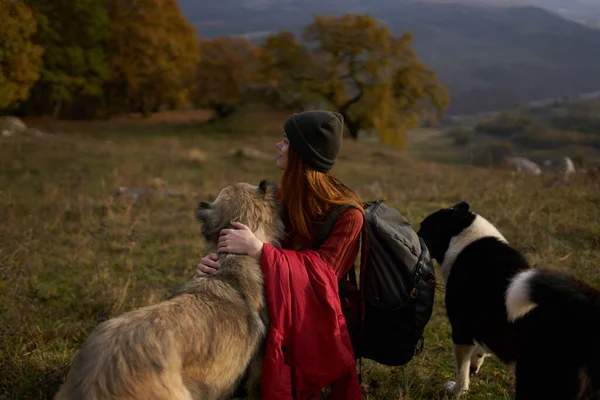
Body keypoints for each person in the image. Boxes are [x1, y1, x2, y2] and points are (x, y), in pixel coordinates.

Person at [195, 110, 364, 400]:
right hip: (272, 299)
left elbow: (323, 275)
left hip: (318, 316)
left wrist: (259, 250)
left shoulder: (348, 215)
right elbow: (246, 252)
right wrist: (215, 266)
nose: (278, 145)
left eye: (285, 141)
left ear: (301, 153)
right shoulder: (283, 197)